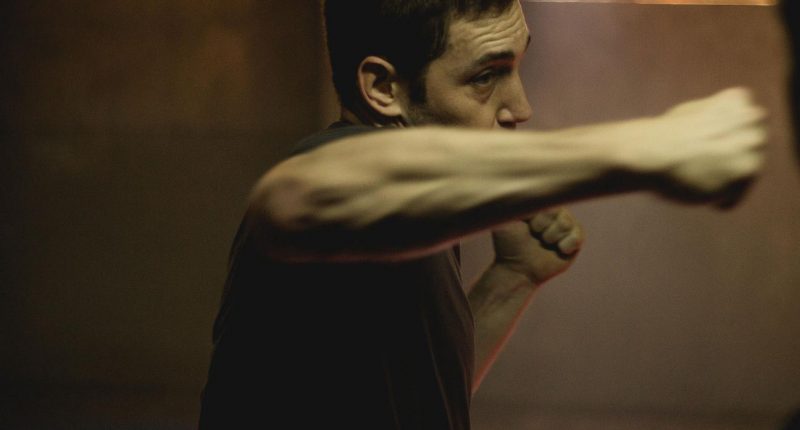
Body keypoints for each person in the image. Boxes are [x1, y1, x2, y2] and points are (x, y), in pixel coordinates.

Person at [198, 0, 767, 428]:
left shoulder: (411, 218)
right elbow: (292, 198)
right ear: (382, 88)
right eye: (485, 77)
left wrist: (512, 279)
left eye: (516, 68)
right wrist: (646, 149)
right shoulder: (336, 166)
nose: (521, 107)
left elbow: (416, 398)